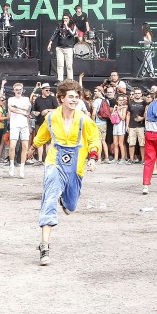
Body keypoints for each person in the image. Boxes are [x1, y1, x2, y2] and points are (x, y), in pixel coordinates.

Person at [32, 80, 100, 267]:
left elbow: (94, 139)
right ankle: (44, 244)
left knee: (71, 207)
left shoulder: (84, 119)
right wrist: (33, 146)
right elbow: (43, 135)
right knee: (49, 197)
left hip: (76, 167)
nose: (74, 99)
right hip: (54, 162)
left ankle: (66, 199)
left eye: (77, 97)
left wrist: (93, 157)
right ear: (61, 98)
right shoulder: (51, 118)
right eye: (71, 96)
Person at [7, 83, 31, 178]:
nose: (18, 91)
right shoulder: (11, 99)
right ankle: (11, 164)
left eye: (20, 89)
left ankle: (22, 167)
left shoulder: (26, 99)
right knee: (12, 146)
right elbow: (11, 109)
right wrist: (22, 111)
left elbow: (28, 109)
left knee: (25, 147)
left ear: (22, 90)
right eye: (16, 89)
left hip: (24, 125)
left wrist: (18, 107)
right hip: (14, 125)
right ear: (14, 90)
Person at [47, 13, 78, 81]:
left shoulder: (73, 25)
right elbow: (55, 34)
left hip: (69, 48)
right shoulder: (60, 25)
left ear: (69, 19)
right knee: (60, 65)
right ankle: (60, 80)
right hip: (60, 48)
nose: (65, 20)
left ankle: (70, 80)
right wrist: (50, 43)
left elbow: (72, 34)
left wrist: (67, 27)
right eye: (64, 18)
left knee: (69, 65)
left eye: (66, 18)